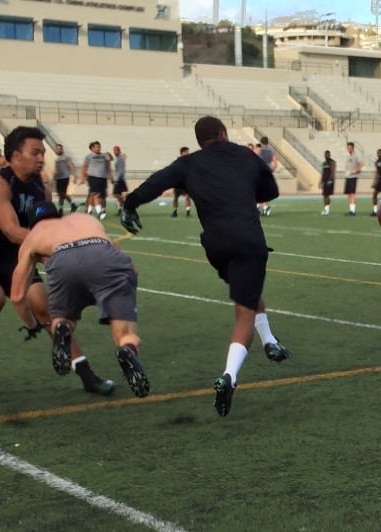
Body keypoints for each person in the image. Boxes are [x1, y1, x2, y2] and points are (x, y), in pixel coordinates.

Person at [120, 116, 291, 418]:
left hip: (215, 244)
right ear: (224, 134)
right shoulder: (245, 155)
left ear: (199, 141)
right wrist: (243, 192)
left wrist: (130, 202)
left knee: (247, 294)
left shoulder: (189, 163)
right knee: (244, 313)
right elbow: (271, 191)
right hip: (247, 239)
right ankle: (229, 376)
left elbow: (157, 183)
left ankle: (270, 341)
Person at [0, 126, 113, 395]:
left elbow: (45, 231)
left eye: (43, 153)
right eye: (35, 152)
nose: (41, 158)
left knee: (46, 308)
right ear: (15, 155)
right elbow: (12, 230)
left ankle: (86, 375)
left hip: (17, 255)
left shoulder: (42, 187)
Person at [10, 201, 148, 398]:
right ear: (58, 215)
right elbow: (127, 263)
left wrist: (31, 324)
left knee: (63, 319)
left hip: (62, 260)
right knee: (125, 334)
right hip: (102, 253)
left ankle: (61, 328)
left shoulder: (32, 237)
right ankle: (127, 349)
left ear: (32, 224)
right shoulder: (84, 219)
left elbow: (16, 295)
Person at [80, 141, 112, 220]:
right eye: (96, 147)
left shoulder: (104, 155)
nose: (98, 148)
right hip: (93, 177)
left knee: (102, 196)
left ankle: (95, 211)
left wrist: (110, 154)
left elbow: (110, 160)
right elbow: (84, 167)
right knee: (95, 194)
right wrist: (82, 178)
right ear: (92, 148)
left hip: (103, 178)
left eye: (99, 147)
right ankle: (99, 212)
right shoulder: (89, 157)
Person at [52, 143, 78, 214]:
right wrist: (54, 178)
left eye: (60, 149)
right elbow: (56, 169)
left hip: (65, 177)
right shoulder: (56, 159)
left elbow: (71, 166)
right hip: (58, 178)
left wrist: (74, 176)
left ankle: (73, 204)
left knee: (62, 193)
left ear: (62, 149)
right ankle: (60, 209)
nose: (58, 150)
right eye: (57, 149)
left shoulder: (66, 157)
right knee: (60, 194)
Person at [257, 136, 277, 216]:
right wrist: (272, 170)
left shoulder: (260, 150)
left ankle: (258, 206)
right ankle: (265, 208)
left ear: (261, 142)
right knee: (266, 190)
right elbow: (275, 163)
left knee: (258, 189)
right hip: (268, 171)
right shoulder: (272, 151)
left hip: (261, 171)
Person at [344, 142, 365, 216]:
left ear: (353, 148)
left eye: (350, 148)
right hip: (348, 176)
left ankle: (353, 211)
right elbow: (347, 166)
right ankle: (350, 210)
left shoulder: (356, 155)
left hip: (353, 177)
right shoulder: (347, 156)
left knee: (352, 193)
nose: (349, 149)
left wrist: (355, 170)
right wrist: (347, 171)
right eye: (348, 148)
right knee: (349, 194)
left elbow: (362, 164)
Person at [171, 146, 191, 218]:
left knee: (187, 197)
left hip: (186, 183)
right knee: (175, 198)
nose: (188, 153)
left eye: (188, 152)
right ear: (182, 153)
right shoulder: (177, 161)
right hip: (178, 183)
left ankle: (188, 212)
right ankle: (175, 211)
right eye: (186, 152)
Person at [112, 146, 128, 215]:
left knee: (116, 194)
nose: (115, 152)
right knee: (119, 194)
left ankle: (124, 207)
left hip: (119, 179)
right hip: (120, 179)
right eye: (114, 151)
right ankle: (122, 209)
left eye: (116, 151)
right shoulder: (119, 158)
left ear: (119, 151)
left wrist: (116, 179)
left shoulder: (120, 159)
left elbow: (120, 170)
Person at [319, 150, 336, 216]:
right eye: (325, 154)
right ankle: (325, 209)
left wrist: (330, 180)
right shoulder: (324, 163)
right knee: (324, 195)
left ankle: (327, 210)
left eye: (327, 154)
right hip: (324, 181)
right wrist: (320, 181)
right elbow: (323, 173)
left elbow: (332, 171)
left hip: (329, 181)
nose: (326, 156)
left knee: (327, 195)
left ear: (329, 155)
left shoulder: (331, 162)